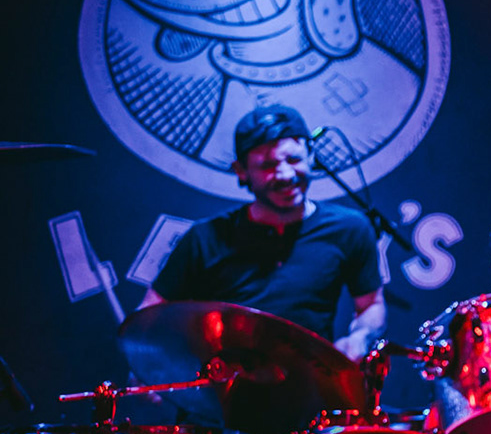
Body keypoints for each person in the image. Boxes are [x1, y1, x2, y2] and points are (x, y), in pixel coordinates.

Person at [141, 105, 386, 361]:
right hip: (225, 382)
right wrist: (150, 363)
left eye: (294, 160)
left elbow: (371, 305)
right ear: (241, 171)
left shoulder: (349, 228)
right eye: (268, 165)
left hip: (311, 380)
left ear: (311, 156)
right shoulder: (205, 237)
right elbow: (150, 313)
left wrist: (360, 338)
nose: (285, 175)